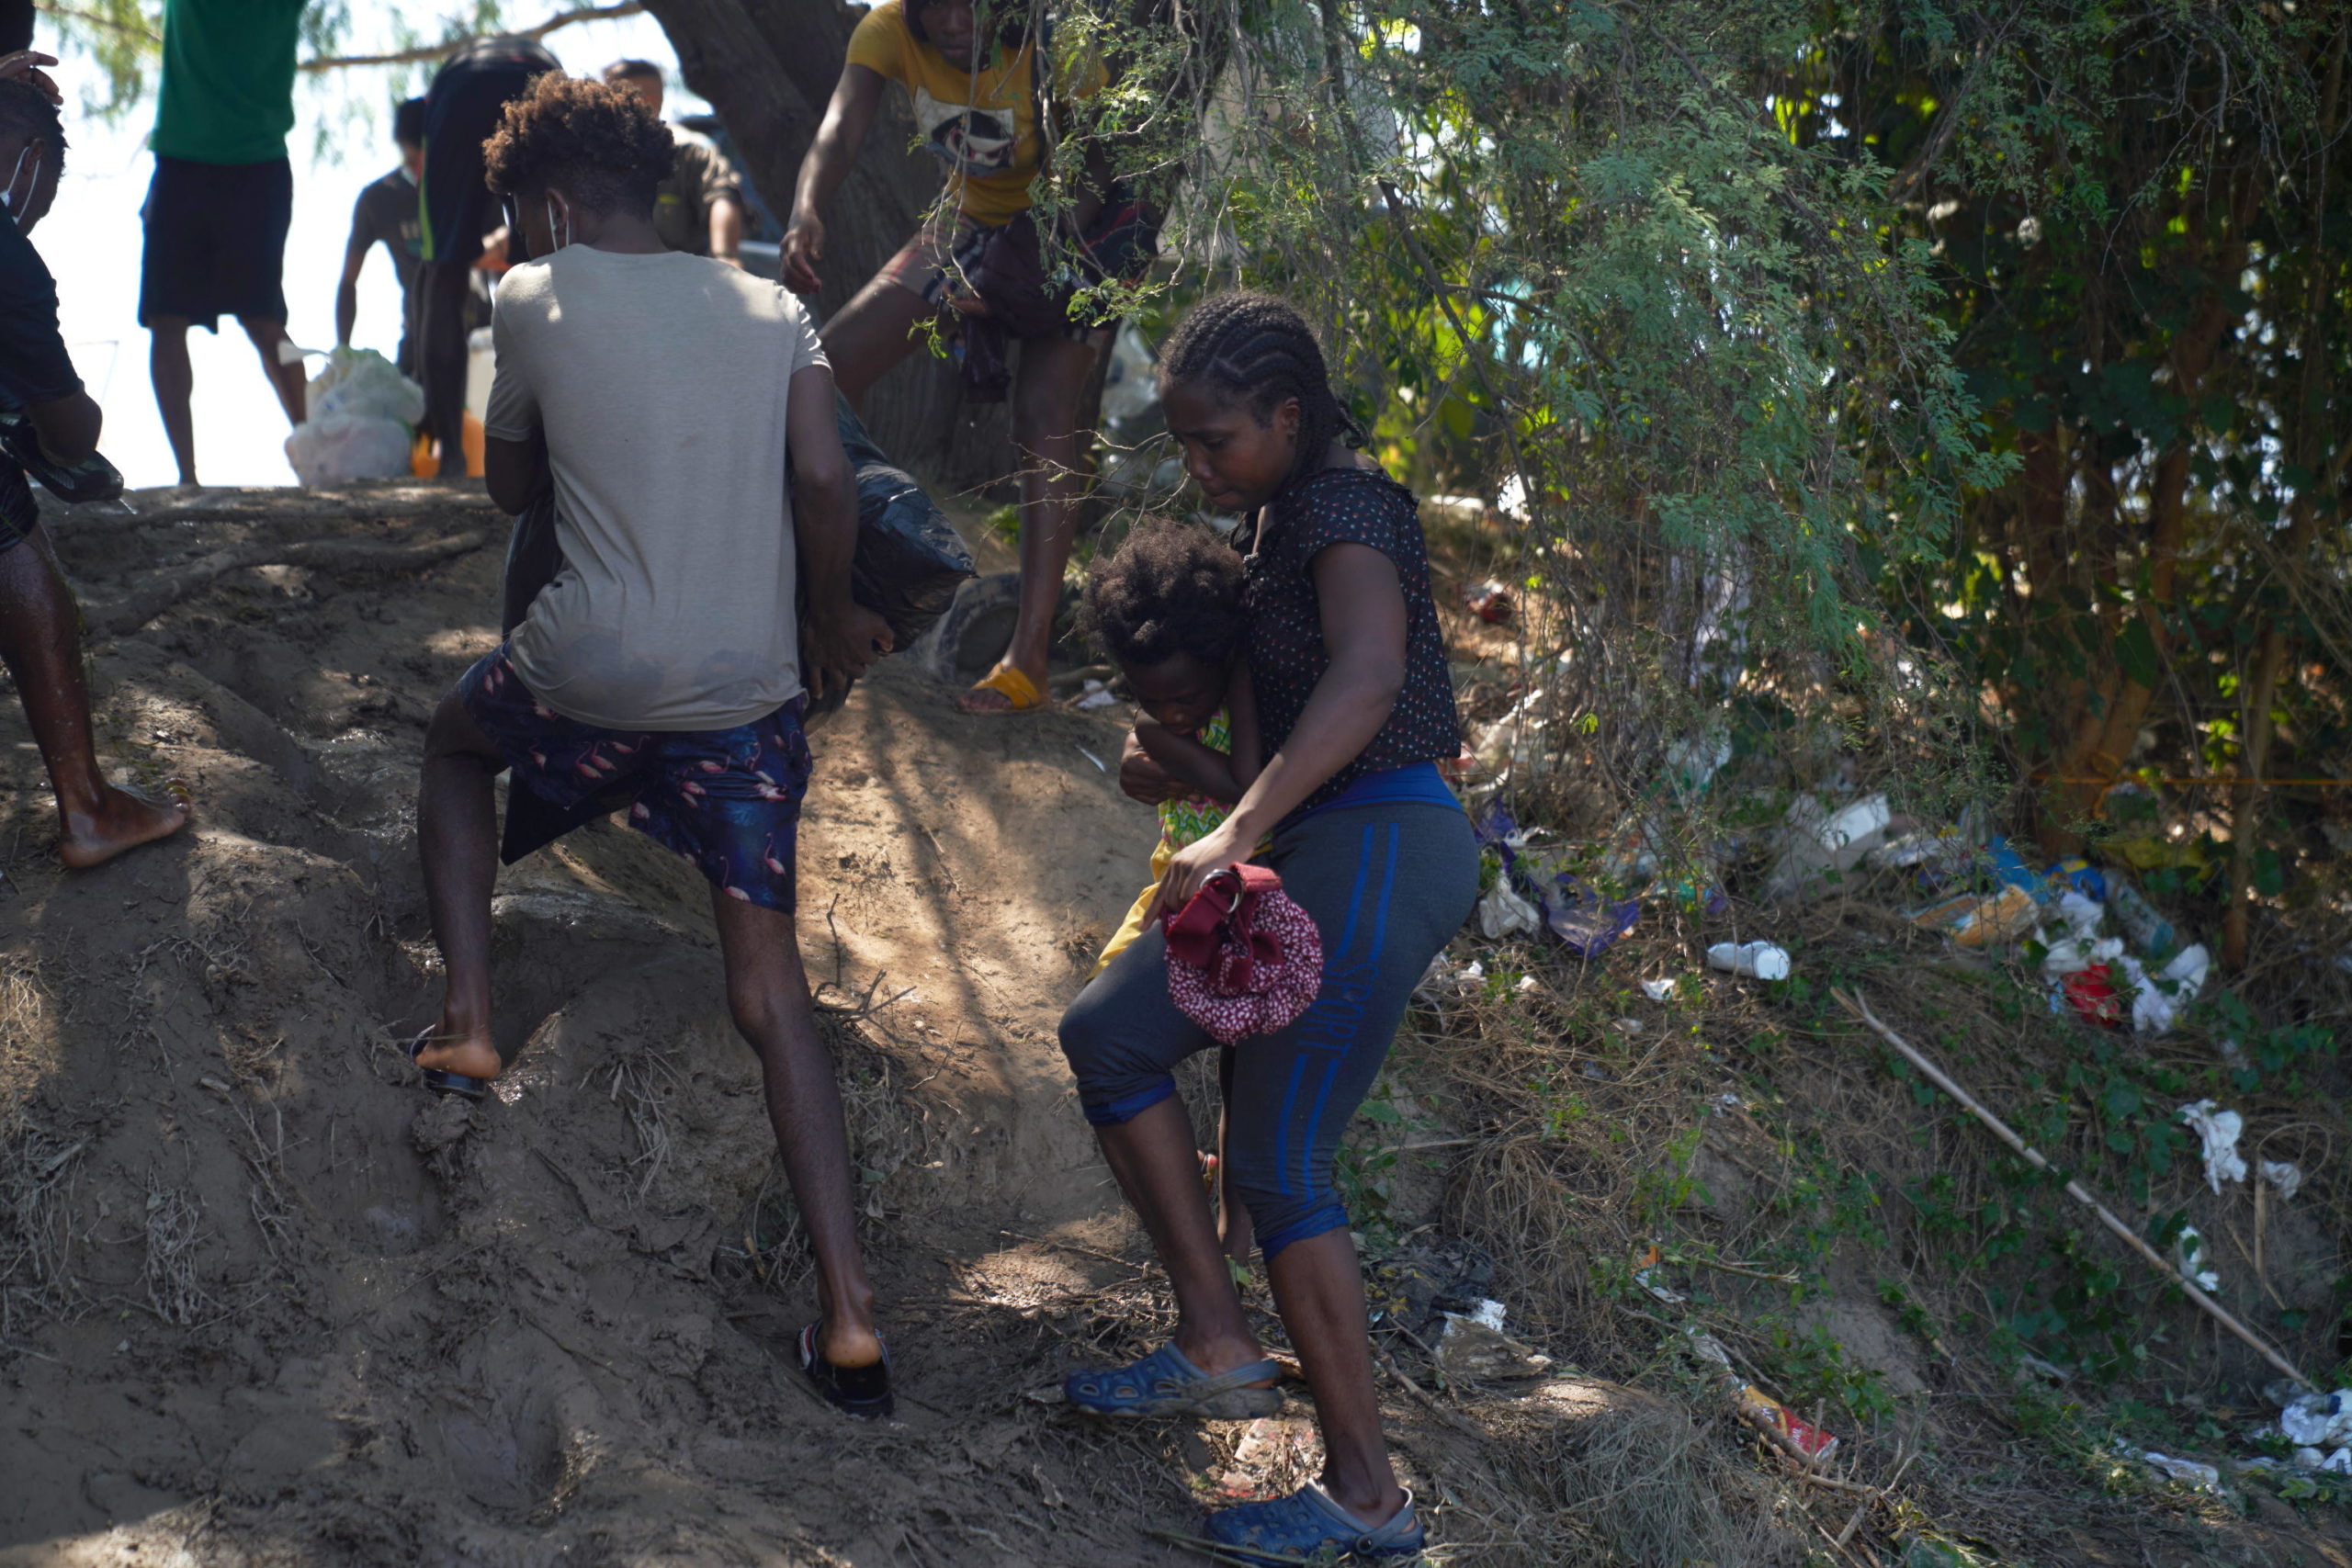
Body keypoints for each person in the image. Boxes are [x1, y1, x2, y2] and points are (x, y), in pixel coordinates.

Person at [409, 75, 899, 1417]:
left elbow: (514, 488)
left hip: (587, 670)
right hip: (744, 699)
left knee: (456, 749)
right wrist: (820, 612)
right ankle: (852, 1317)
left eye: (521, 217)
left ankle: (467, 1020)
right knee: (769, 988)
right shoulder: (767, 304)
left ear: (554, 205)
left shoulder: (528, 297)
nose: (516, 240)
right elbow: (821, 480)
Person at [1056, 293, 1476, 1564]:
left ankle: (1367, 1498)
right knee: (1109, 1038)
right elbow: (1264, 751)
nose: (1198, 467)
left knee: (1288, 1164)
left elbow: (1369, 680)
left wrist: (1235, 833)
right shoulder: (1280, 519)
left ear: (1291, 418)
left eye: (1216, 440)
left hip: (1388, 838)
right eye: (1184, 445)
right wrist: (1191, 774)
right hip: (1330, 843)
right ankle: (1216, 1340)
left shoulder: (1348, 511)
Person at [782, 0, 1114, 716]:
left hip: (1075, 226)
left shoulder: (1058, 36)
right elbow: (840, 129)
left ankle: (1025, 660)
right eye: (936, 6)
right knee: (825, 371)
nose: (956, 21)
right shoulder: (887, 30)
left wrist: (1028, 265)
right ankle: (824, 586)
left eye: (971, 4)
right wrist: (808, 205)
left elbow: (1097, 162)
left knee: (1046, 415)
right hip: (969, 213)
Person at [0, 79, 192, 866]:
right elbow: (71, 431)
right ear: (33, 161)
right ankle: (85, 806)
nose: (41, 210)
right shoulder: (10, 256)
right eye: (48, 192)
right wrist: (54, 436)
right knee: (14, 539)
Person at [1080, 516, 1266, 1263]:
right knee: (1103, 1013)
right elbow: (1154, 765)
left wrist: (1165, 744)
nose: (1176, 710)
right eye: (1155, 702)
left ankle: (1235, 1236)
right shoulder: (1163, 712)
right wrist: (1154, 741)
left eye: (1187, 695)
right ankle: (1177, 1168)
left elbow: (1244, 787)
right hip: (1171, 881)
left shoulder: (1239, 690)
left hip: (1241, 883)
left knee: (1242, 1065)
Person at [139, 0, 309, 489]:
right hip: (190, 162)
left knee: (262, 321)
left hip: (251, 165)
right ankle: (186, 477)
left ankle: (314, 457)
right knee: (168, 319)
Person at [414, 34, 559, 477]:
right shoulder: (533, 52)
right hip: (538, 77)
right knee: (547, 270)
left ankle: (452, 458)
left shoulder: (450, 76)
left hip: (461, 87)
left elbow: (432, 277)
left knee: (445, 272)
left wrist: (425, 389)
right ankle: (551, 449)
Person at [599, 59, 746, 264]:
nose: (605, 106)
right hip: (605, 275)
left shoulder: (690, 150)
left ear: (649, 101)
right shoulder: (594, 154)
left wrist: (726, 257)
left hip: (678, 275)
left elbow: (722, 194)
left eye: (615, 97)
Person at [335, 96, 427, 375]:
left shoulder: (468, 189)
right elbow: (348, 281)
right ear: (402, 146)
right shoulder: (379, 199)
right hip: (418, 339)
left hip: (478, 332)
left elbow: (500, 263)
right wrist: (343, 352)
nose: (419, 168)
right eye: (413, 159)